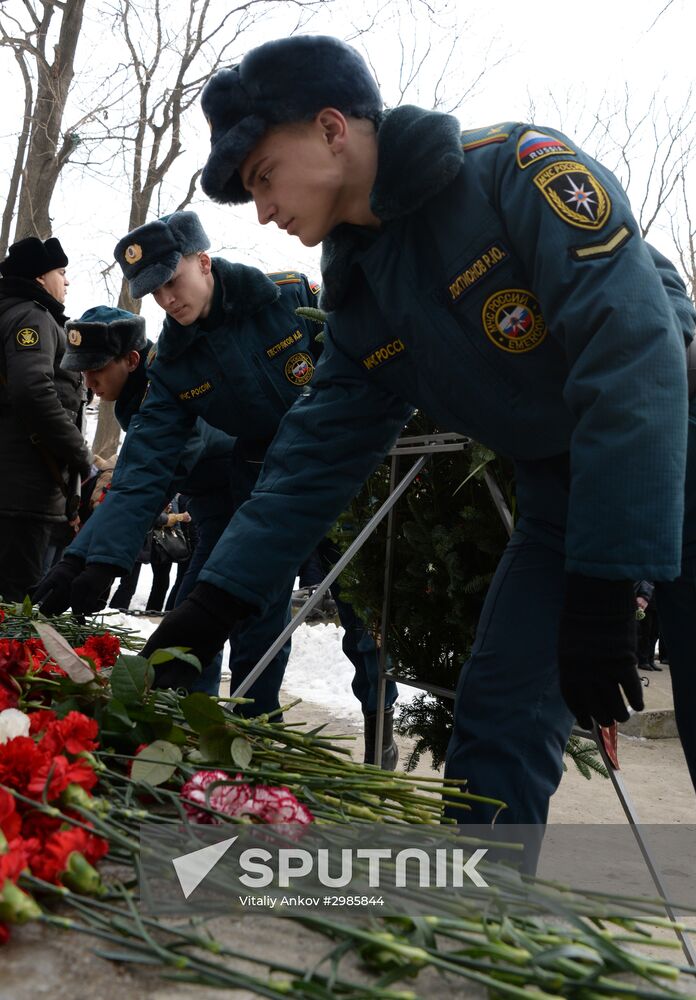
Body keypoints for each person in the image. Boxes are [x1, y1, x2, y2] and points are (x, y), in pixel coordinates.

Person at [129, 35, 696, 834]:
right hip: (561, 497)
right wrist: (213, 603)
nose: (262, 210)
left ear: (332, 130)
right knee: (496, 722)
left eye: (263, 177)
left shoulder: (515, 172)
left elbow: (633, 354)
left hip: (673, 448)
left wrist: (608, 581)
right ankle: (484, 934)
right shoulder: (363, 303)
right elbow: (312, 461)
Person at [34, 213, 323, 714]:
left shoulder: (290, 296)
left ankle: (348, 715)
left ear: (203, 262)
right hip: (245, 497)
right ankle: (233, 724)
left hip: (332, 475)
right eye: (154, 291)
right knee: (220, 608)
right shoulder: (173, 369)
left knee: (360, 622)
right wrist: (91, 557)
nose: (167, 298)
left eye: (172, 280)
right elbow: (142, 473)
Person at [0, 236, 91, 600]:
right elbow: (32, 390)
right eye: (61, 272)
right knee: (14, 613)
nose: (66, 281)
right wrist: (80, 455)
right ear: (40, 278)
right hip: (21, 495)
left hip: (15, 491)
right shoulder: (30, 316)